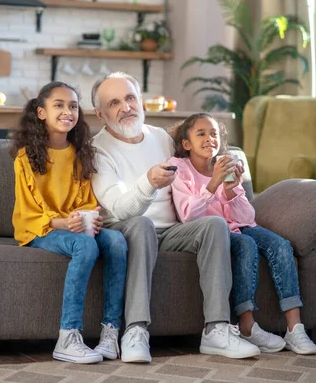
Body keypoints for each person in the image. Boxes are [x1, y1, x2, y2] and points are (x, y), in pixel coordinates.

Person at [90, 72, 261, 363]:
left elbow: (196, 159)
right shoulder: (97, 149)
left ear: (141, 100)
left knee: (214, 225)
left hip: (173, 232)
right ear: (100, 114)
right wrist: (149, 183)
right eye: (114, 102)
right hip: (127, 229)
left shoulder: (161, 138)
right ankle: (135, 330)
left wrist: (226, 173)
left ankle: (216, 330)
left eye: (130, 98)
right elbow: (119, 209)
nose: (126, 107)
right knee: (142, 224)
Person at [168, 112, 316, 355]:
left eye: (214, 134)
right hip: (210, 233)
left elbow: (247, 218)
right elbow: (188, 216)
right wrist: (213, 185)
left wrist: (230, 192)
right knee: (246, 245)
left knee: (281, 245)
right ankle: (247, 325)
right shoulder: (181, 170)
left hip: (239, 226)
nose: (210, 139)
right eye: (201, 134)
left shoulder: (225, 164)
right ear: (186, 144)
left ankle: (295, 328)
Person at [11, 81, 128, 364]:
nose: (68, 111)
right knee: (85, 246)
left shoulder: (81, 153)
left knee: (116, 241)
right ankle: (68, 335)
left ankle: (110, 332)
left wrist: (91, 219)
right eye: (59, 105)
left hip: (74, 226)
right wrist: (62, 223)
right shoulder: (25, 157)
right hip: (40, 228)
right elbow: (29, 209)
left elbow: (86, 200)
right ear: (41, 113)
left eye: (73, 106)